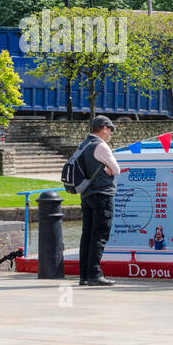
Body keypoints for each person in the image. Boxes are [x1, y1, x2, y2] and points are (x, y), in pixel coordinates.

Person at [77, 116, 122, 287]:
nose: (111, 133)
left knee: (87, 235)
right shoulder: (101, 145)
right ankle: (95, 274)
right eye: (110, 129)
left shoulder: (83, 144)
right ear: (104, 128)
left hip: (86, 194)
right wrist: (109, 169)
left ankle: (84, 275)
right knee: (100, 235)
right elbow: (116, 169)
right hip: (102, 194)